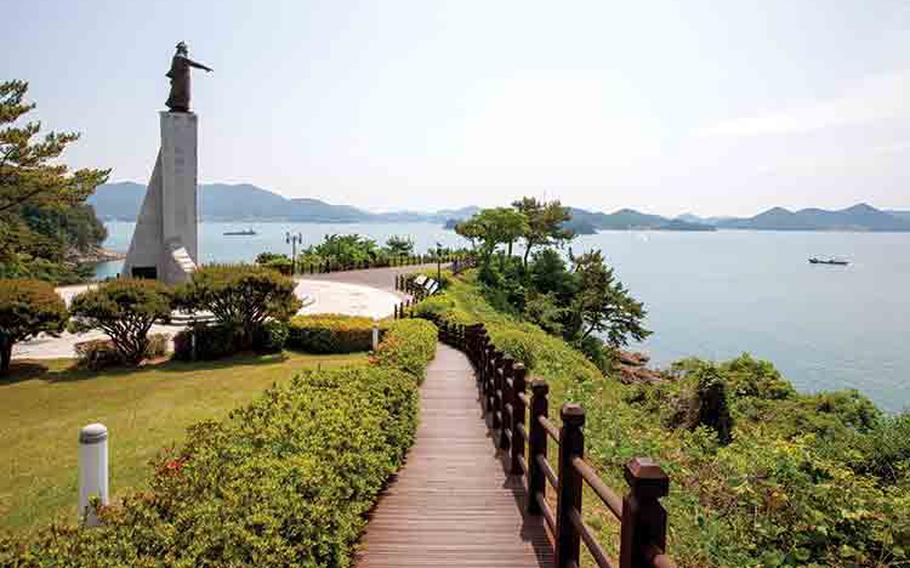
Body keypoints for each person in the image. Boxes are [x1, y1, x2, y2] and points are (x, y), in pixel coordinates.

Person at [165, 41, 212, 112]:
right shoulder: (180, 57)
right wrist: (205, 67)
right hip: (180, 81)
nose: (187, 52)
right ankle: (178, 106)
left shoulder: (178, 57)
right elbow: (193, 63)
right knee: (180, 94)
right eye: (186, 50)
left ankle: (182, 107)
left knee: (183, 94)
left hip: (183, 80)